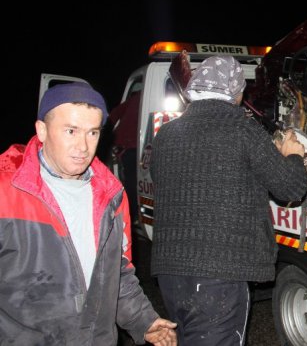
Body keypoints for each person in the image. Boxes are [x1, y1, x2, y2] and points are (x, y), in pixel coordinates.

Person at [0, 82, 178, 345]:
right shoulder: (6, 191)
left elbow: (117, 274)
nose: (83, 146)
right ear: (42, 130)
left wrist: (144, 321)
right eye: (71, 131)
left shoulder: (111, 195)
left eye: (92, 133)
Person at [150, 55, 307, 345]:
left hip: (170, 275)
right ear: (237, 93)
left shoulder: (166, 134)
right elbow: (291, 187)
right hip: (219, 277)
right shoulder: (242, 128)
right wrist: (292, 155)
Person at [108, 89, 141, 226]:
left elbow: (112, 116)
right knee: (132, 183)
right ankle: (131, 216)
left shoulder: (133, 99)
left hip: (127, 146)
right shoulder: (142, 98)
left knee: (130, 182)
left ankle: (131, 215)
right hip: (131, 147)